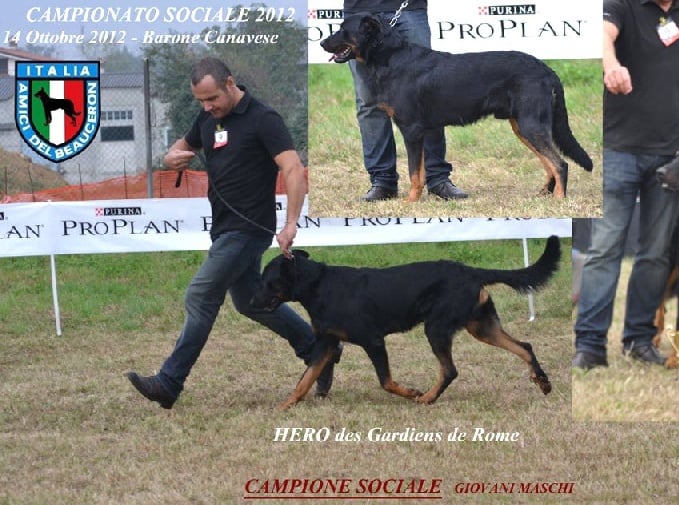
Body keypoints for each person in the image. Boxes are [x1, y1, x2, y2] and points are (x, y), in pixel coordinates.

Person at [126, 57, 337, 408]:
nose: (207, 107)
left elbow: (292, 168)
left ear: (230, 83)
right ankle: (318, 350)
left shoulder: (263, 119)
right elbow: (182, 147)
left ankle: (168, 382)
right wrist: (171, 157)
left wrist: (291, 222)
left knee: (200, 294)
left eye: (212, 99)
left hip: (248, 229)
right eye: (201, 101)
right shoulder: (208, 118)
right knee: (251, 301)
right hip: (224, 228)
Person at [572, 0, 679, 370]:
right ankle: (590, 346)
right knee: (605, 249)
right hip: (618, 148)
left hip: (673, 156)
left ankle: (639, 340)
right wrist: (611, 65)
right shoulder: (620, 6)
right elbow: (601, 35)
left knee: (655, 253)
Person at [342, 0, 468, 201]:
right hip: (360, 8)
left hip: (409, 8)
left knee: (428, 99)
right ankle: (382, 182)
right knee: (369, 103)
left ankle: (437, 179)